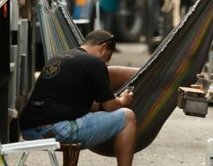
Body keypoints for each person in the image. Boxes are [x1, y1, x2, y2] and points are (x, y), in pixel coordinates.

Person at [19, 30, 136, 166]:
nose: (107, 63)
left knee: (74, 119)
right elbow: (110, 106)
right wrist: (122, 100)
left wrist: (101, 105)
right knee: (127, 117)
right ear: (103, 47)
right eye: (108, 56)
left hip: (29, 131)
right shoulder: (95, 63)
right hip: (57, 131)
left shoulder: (59, 57)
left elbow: (73, 104)